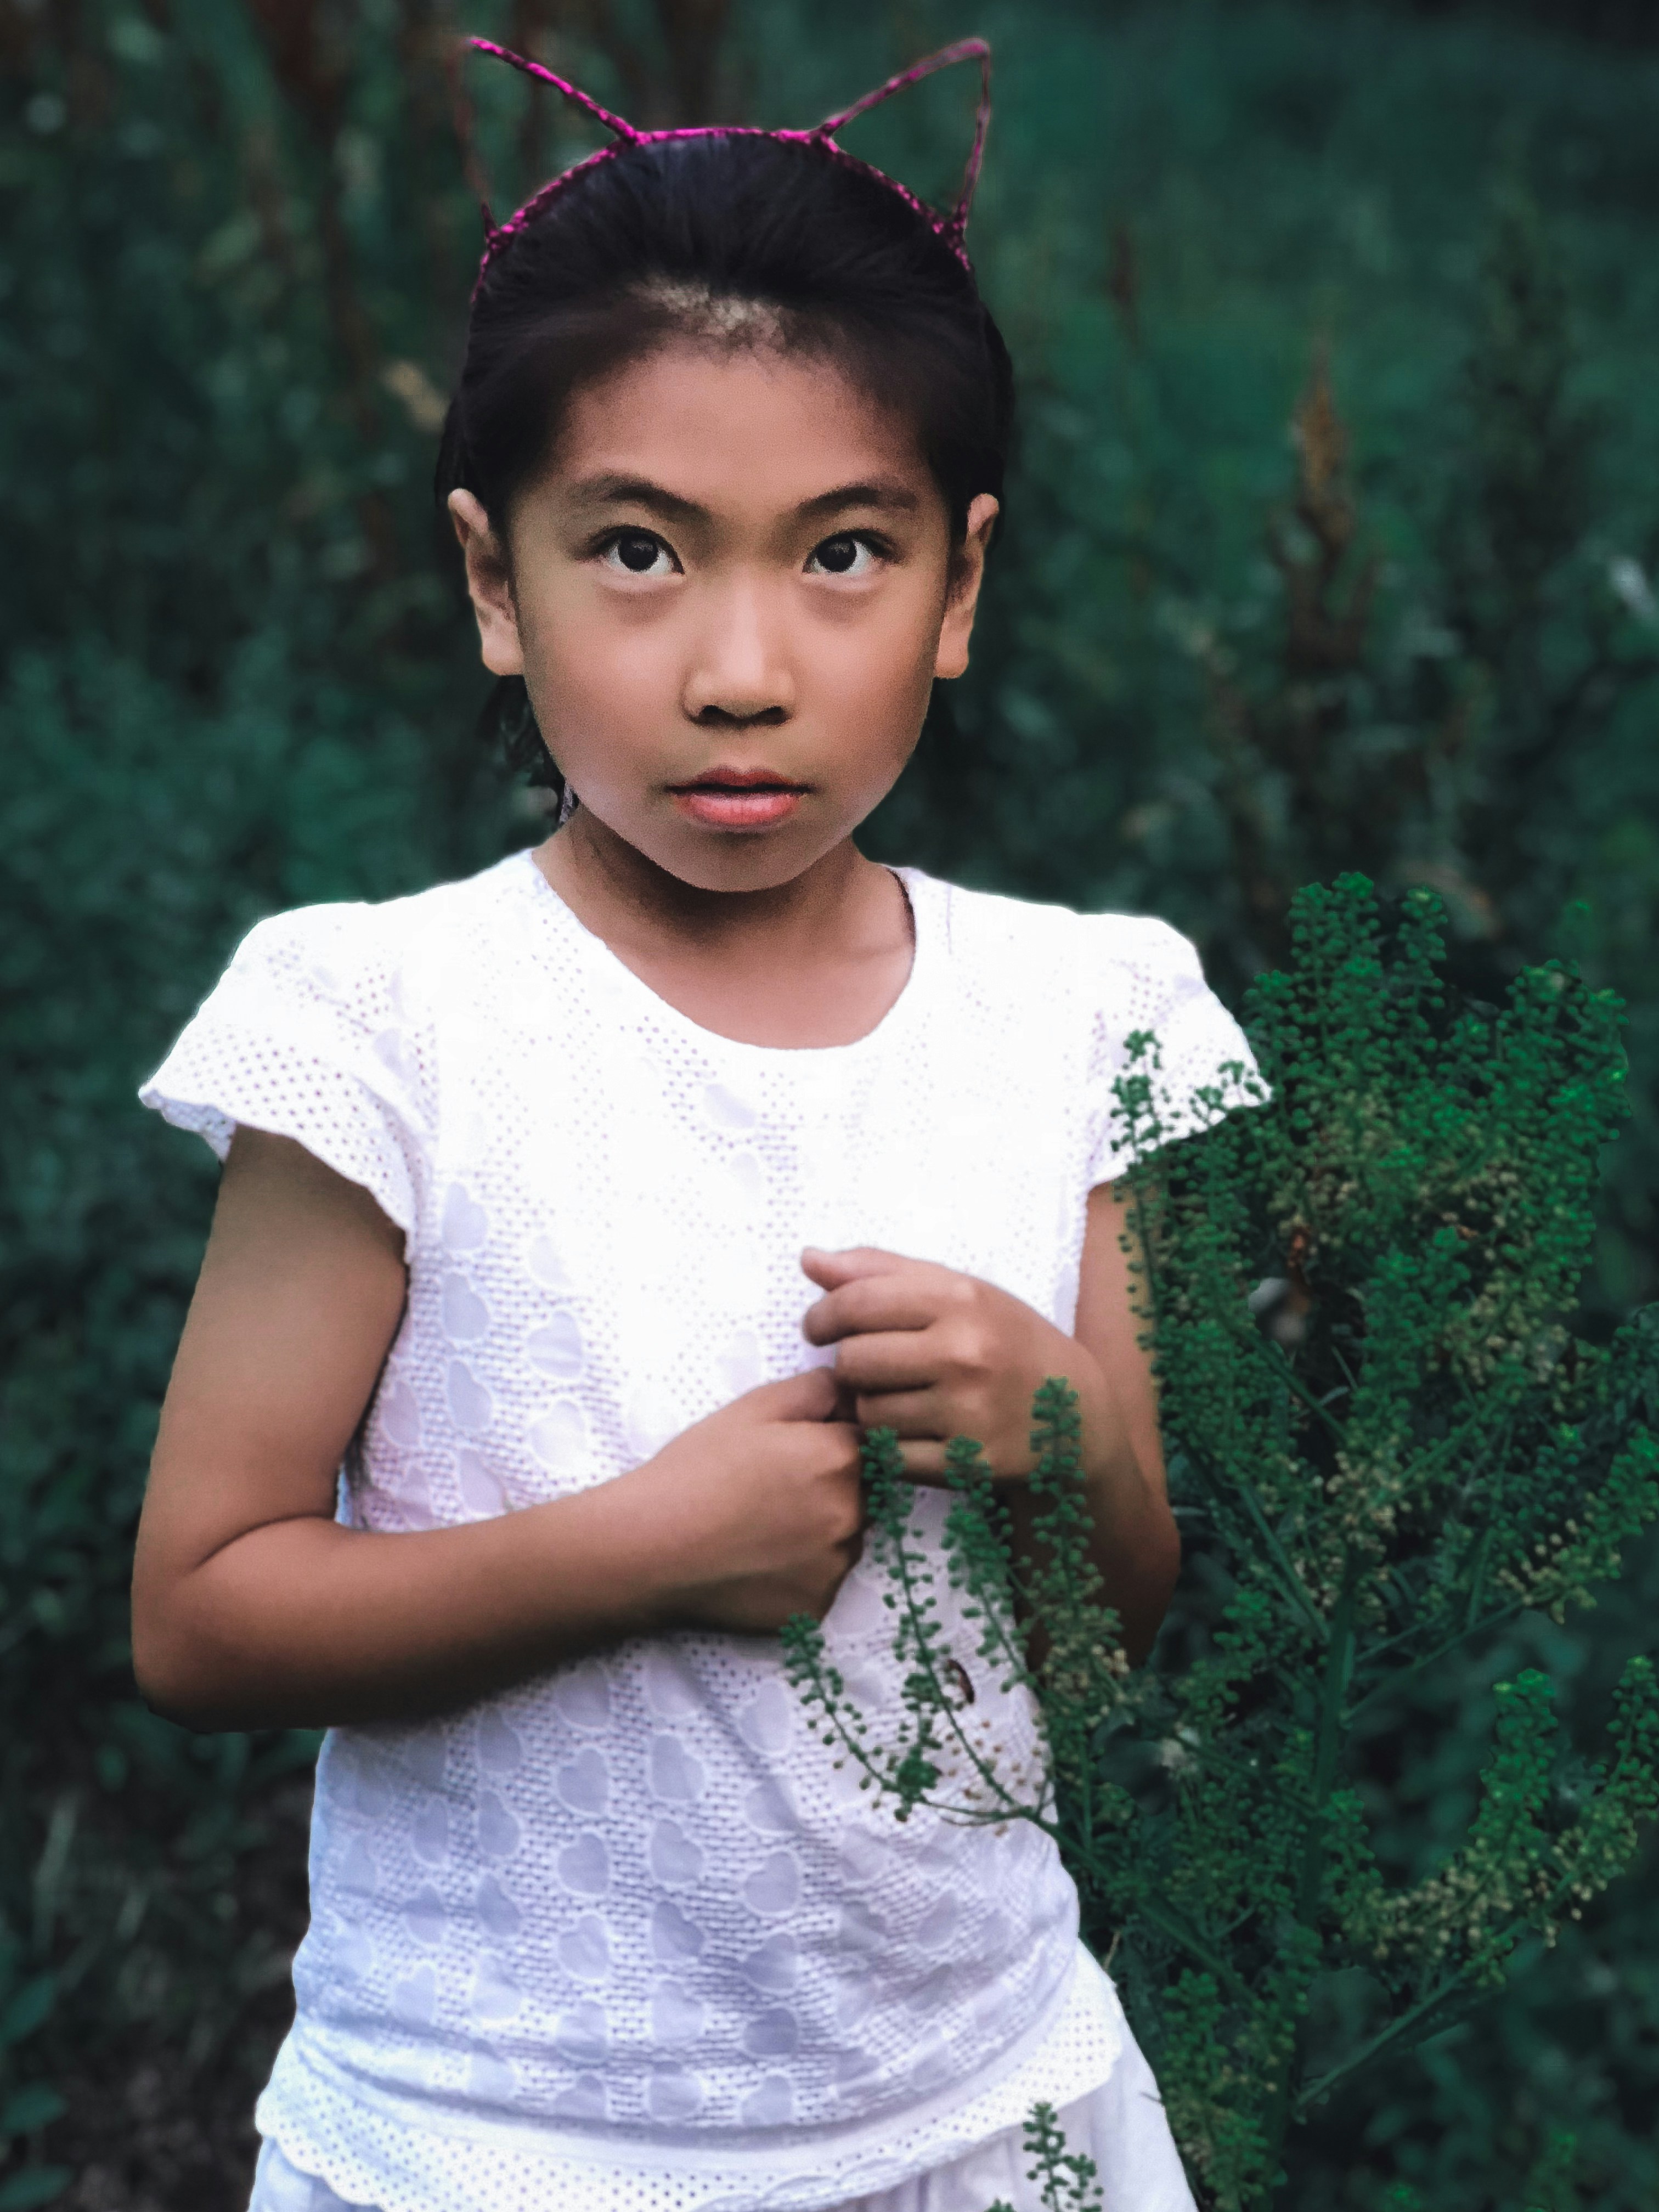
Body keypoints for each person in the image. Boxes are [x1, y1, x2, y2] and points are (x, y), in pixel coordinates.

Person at [131, 36, 1256, 2212]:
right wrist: (644, 1551)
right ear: (495, 581)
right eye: (639, 550)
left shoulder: (1086, 1016)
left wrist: (1067, 1437)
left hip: (981, 2106)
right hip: (499, 2135)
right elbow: (203, 1613)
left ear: (961, 588)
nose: (743, 669)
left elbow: (1118, 1622)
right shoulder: (386, 1022)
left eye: (844, 554)